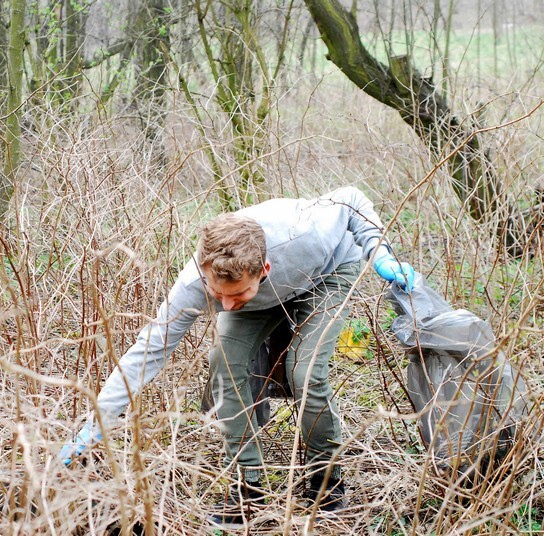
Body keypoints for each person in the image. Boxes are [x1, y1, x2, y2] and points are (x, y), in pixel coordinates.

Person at [57, 187, 415, 527]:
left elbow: (351, 198)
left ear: (264, 270)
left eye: (237, 293)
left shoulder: (305, 232)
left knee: (305, 374)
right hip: (262, 295)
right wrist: (97, 422)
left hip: (326, 275)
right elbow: (149, 349)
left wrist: (380, 253)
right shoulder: (196, 282)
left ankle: (326, 482)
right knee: (224, 362)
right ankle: (248, 489)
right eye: (218, 294)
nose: (225, 305)